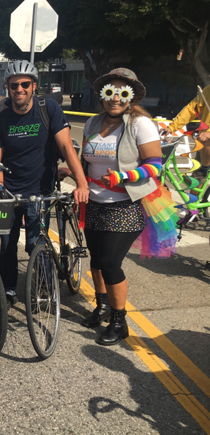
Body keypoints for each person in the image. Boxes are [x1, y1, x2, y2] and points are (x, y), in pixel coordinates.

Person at [80, 68, 178, 345]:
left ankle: (119, 321)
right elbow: (86, 158)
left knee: (110, 263)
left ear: (131, 97)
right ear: (102, 95)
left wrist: (124, 176)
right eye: (109, 92)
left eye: (122, 93)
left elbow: (155, 165)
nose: (115, 98)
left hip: (125, 203)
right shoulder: (92, 123)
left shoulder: (139, 124)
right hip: (94, 202)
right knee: (96, 260)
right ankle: (101, 307)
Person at [0, 60, 89, 306]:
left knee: (37, 243)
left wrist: (81, 183)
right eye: (14, 85)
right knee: (7, 245)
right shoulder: (1, 120)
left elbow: (66, 147)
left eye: (25, 84)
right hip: (11, 193)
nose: (19, 89)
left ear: (34, 86)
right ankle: (9, 290)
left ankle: (45, 289)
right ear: (7, 88)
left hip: (40, 191)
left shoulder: (49, 109)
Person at [165, 85, 210, 182]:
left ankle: (204, 170)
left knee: (202, 171)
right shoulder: (208, 90)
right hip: (204, 146)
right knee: (197, 180)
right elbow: (191, 110)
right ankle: (201, 175)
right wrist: (172, 127)